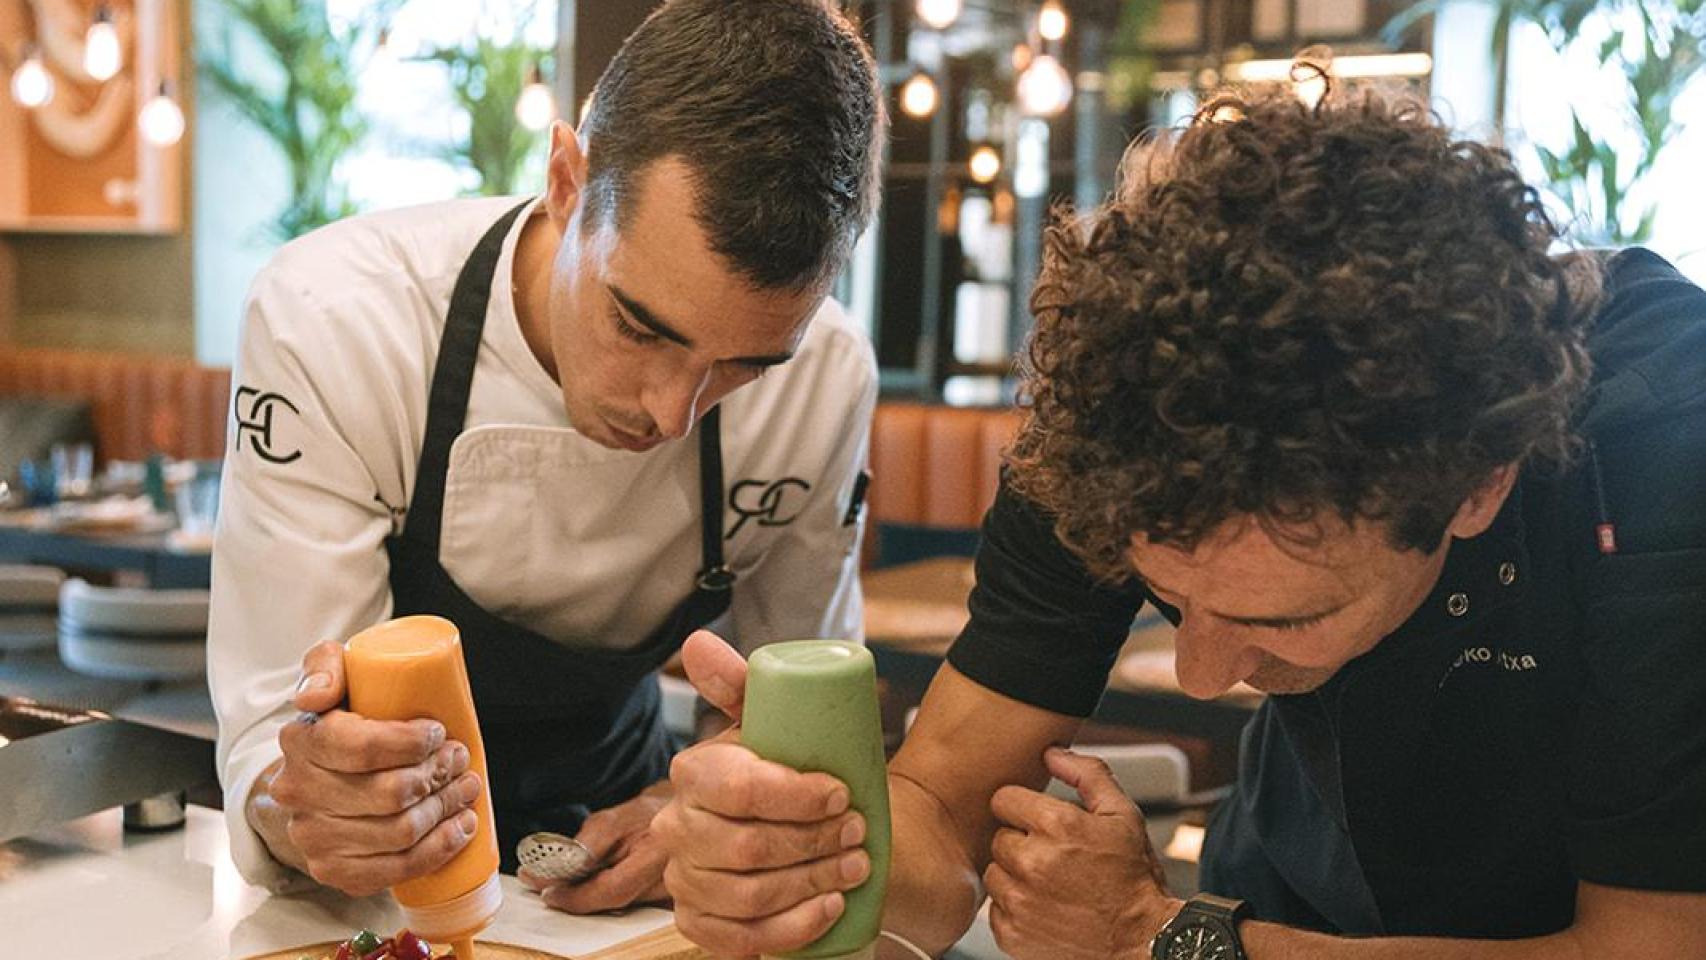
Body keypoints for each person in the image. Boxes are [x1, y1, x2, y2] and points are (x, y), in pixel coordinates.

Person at [655, 84, 1706, 957]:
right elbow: (939, 813)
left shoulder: (1664, 453)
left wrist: (1161, 937)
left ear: (1476, 485)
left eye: (1283, 620)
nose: (1203, 676)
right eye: (1167, 598)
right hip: (1287, 890)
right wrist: (822, 854)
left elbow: (1645, 948)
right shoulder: (1112, 421)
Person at [208, 0, 883, 914]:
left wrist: (710, 812)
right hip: (377, 897)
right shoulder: (337, 322)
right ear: (567, 180)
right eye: (639, 327)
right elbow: (270, 735)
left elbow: (804, 717)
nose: (672, 413)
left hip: (638, 869)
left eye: (742, 367)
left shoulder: (829, 378)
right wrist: (311, 810)